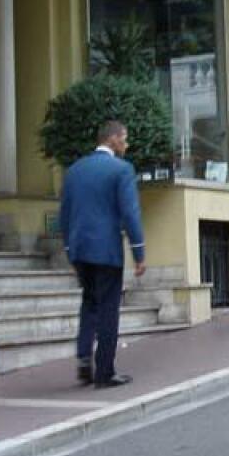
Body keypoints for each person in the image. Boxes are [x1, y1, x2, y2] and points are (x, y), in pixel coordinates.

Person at [59, 120, 147, 388]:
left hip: (79, 249)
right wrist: (139, 251)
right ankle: (105, 372)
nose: (127, 144)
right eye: (125, 138)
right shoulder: (121, 170)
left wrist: (68, 248)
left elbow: (64, 212)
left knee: (89, 302)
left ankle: (84, 358)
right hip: (106, 249)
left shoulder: (75, 170)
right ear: (113, 139)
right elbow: (130, 214)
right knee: (108, 308)